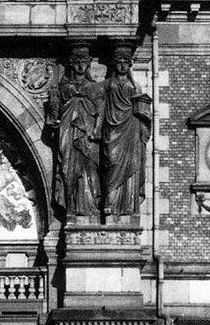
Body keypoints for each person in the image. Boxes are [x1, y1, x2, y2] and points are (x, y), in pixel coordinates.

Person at [46, 44, 104, 221]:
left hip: (87, 133)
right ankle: (70, 205)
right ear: (71, 64)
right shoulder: (63, 88)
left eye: (83, 62)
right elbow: (54, 115)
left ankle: (88, 207)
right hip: (68, 130)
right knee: (68, 168)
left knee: (89, 167)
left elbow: (100, 111)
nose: (80, 66)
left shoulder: (95, 88)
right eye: (77, 62)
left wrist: (96, 130)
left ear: (88, 65)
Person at [100, 44, 152, 220]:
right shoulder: (107, 85)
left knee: (132, 163)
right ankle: (110, 201)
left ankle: (127, 205)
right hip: (111, 127)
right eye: (119, 62)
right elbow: (99, 105)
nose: (122, 65)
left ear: (129, 65)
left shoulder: (135, 86)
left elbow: (144, 109)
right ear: (114, 64)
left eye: (125, 62)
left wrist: (144, 116)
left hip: (131, 127)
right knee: (112, 161)